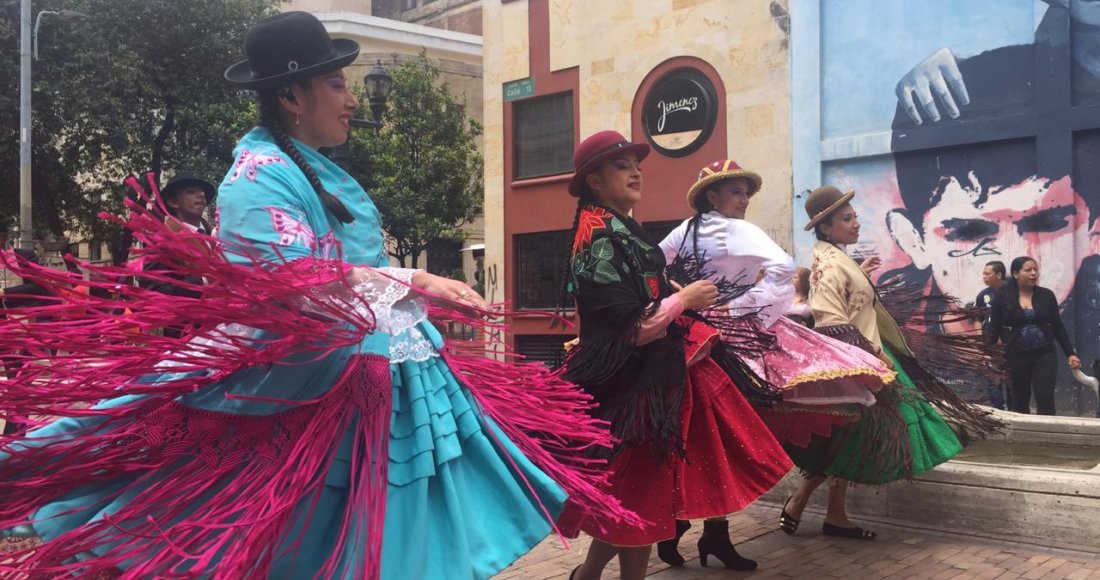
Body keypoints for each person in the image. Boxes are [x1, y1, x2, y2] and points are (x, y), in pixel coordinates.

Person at [0, 13, 633, 578]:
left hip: (359, 380)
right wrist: (418, 279)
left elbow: (331, 269)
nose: (352, 100)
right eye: (338, 84)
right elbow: (298, 284)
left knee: (383, 533)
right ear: (290, 95)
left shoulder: (299, 166)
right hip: (304, 389)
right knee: (288, 530)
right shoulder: (255, 181)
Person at [559, 133, 792, 579]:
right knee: (640, 496)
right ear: (594, 180)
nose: (636, 171)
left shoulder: (619, 229)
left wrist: (679, 297)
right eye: (621, 165)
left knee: (642, 497)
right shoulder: (600, 238)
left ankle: (586, 576)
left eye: (636, 163)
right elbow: (631, 328)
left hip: (650, 378)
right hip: (632, 386)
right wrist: (683, 299)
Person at [659, 161, 918, 547]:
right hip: (732, 341)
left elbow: (651, 267)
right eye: (736, 192)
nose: (745, 200)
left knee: (697, 433)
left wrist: (679, 302)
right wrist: (742, 307)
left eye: (746, 192)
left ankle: (686, 526)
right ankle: (703, 529)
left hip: (689, 339)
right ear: (713, 196)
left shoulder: (683, 230)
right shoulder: (736, 229)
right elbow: (781, 268)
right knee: (725, 433)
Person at [785, 185, 998, 540]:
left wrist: (862, 275)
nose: (856, 223)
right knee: (849, 438)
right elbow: (831, 322)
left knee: (853, 438)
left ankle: (829, 512)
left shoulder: (836, 259)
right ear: (826, 227)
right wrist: (877, 355)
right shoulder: (827, 266)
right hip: (861, 364)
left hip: (867, 360)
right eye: (847, 218)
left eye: (854, 216)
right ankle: (807, 502)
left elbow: (850, 305)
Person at [986, 256, 1082, 415]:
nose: (1033, 273)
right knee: (1019, 399)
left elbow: (1058, 327)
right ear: (1016, 274)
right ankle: (1021, 436)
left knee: (1045, 396)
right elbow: (994, 328)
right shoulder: (1003, 298)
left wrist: (1070, 354)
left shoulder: (1046, 295)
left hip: (1044, 354)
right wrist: (989, 354)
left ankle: (1049, 435)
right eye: (1028, 270)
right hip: (1015, 355)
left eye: (1035, 270)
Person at [139, 171, 217, 338]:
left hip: (227, 331)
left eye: (202, 192)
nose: (201, 195)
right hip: (188, 338)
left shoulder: (217, 237)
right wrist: (204, 280)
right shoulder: (162, 241)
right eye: (190, 192)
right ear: (173, 202)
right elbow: (154, 291)